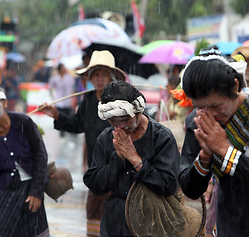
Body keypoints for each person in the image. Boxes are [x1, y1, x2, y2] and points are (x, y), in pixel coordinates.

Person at [38, 50, 126, 236]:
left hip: (119, 166)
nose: (99, 79)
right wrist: (56, 115)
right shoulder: (87, 101)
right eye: (95, 74)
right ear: (90, 77)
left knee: (117, 211)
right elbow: (78, 125)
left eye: (103, 74)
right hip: (96, 167)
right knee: (94, 210)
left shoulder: (120, 101)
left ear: (111, 77)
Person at [83, 81, 180, 236]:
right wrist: (118, 158)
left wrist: (136, 161)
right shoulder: (106, 138)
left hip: (153, 222)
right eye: (113, 121)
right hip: (114, 223)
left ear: (138, 112)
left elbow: (169, 185)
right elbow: (94, 183)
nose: (120, 127)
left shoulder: (162, 137)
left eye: (125, 120)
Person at [178, 54, 248, 236]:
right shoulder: (197, 122)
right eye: (200, 107)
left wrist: (224, 149)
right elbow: (190, 189)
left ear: (235, 86)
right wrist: (206, 156)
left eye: (216, 105)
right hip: (229, 222)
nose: (210, 114)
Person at [0, 83, 49, 237]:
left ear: (5, 103)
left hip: (29, 191)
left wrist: (37, 191)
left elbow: (40, 156)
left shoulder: (24, 123)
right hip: (0, 193)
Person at [49, 63, 75, 137]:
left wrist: (72, 99)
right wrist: (53, 98)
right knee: (59, 117)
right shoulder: (55, 78)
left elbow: (72, 89)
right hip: (59, 102)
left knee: (67, 116)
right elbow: (50, 88)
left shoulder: (69, 77)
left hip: (67, 101)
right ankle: (61, 132)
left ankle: (67, 130)